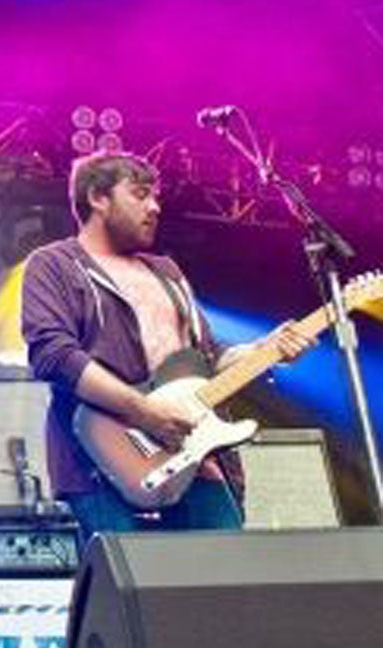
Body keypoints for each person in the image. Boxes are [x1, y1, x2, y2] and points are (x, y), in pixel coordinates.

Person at [20, 150, 311, 538]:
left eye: (155, 197)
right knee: (129, 589)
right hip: (102, 457)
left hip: (189, 452)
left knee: (229, 578)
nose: (154, 207)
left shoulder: (166, 271)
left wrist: (265, 350)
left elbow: (208, 361)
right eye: (140, 195)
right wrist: (142, 412)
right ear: (98, 198)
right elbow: (53, 356)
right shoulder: (54, 265)